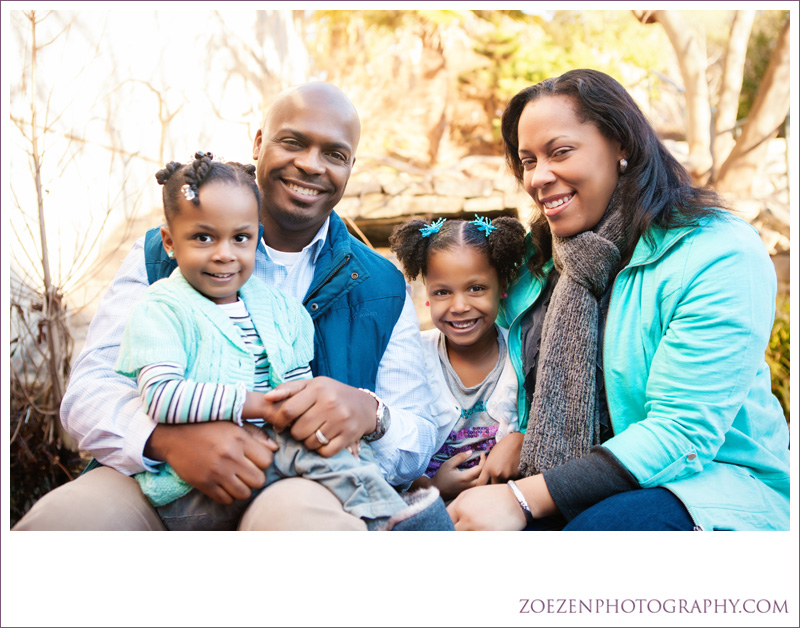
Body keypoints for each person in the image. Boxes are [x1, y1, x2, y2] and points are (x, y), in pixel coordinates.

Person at [15, 82, 443, 531]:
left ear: (350, 166)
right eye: (293, 142)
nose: (310, 165)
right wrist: (165, 441)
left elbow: (418, 435)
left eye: (334, 154)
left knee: (304, 525)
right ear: (259, 142)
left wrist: (371, 415)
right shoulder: (161, 256)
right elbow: (89, 391)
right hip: (154, 478)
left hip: (291, 479)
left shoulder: (381, 286)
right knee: (64, 522)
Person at [447, 69, 790, 531]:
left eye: (560, 152)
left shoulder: (717, 252)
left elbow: (682, 432)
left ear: (622, 146)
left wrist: (521, 498)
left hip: (708, 485)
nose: (539, 177)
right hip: (559, 475)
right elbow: (509, 376)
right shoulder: (538, 262)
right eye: (528, 161)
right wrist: (520, 434)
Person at [112, 152, 448, 530]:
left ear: (255, 236)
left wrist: (319, 421)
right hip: (189, 486)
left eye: (240, 238)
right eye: (203, 237)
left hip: (265, 470)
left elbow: (294, 384)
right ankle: (389, 521)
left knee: (331, 450)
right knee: (310, 458)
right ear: (170, 241)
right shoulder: (162, 308)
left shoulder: (276, 309)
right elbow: (162, 396)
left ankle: (387, 515)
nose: (224, 254)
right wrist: (261, 407)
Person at [389, 215, 526, 502]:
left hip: (503, 508)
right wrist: (432, 487)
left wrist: (520, 439)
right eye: (443, 292)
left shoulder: (524, 354)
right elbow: (392, 448)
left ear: (501, 286)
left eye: (476, 288)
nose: (460, 306)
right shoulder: (411, 357)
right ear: (427, 294)